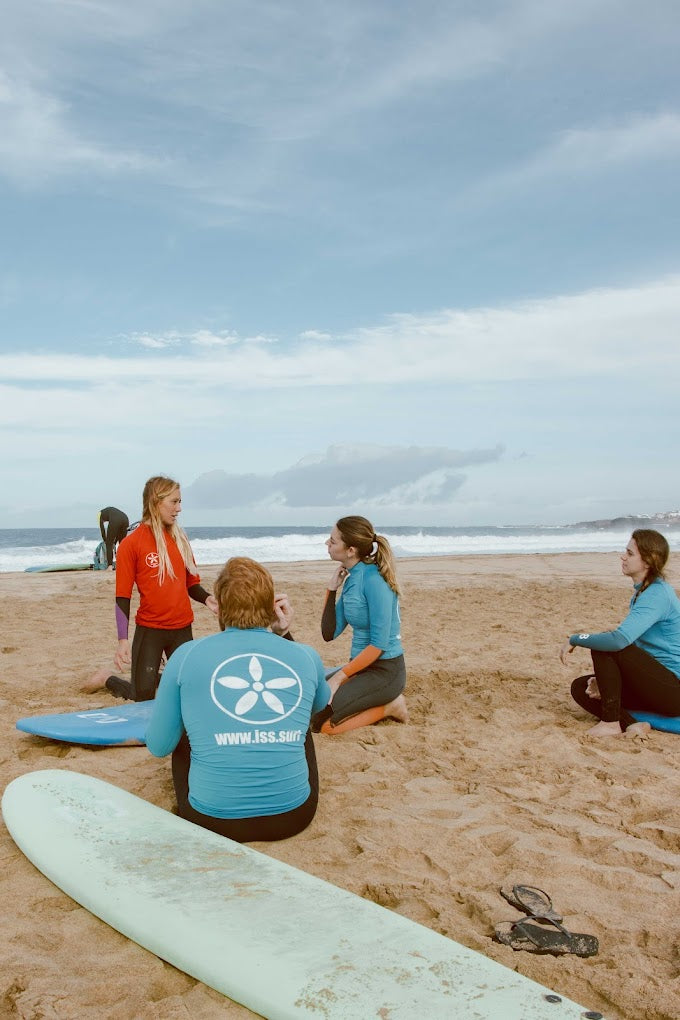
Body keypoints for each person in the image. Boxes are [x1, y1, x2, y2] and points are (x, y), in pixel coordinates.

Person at [145, 557, 330, 842]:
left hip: (210, 821)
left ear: (218, 606)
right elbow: (320, 708)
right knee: (299, 719)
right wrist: (284, 635)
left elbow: (158, 746)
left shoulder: (185, 655)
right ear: (272, 606)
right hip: (292, 817)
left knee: (184, 720)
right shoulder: (305, 655)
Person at [86, 475, 217, 701]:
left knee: (186, 694)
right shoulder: (131, 544)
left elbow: (191, 584)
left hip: (182, 628)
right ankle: (109, 679)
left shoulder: (180, 539)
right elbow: (122, 596)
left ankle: (158, 677)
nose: (179, 508)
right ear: (156, 502)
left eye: (180, 502)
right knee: (142, 697)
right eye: (174, 502)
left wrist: (207, 599)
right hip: (150, 630)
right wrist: (122, 641)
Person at [561, 529, 680, 738]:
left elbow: (618, 642)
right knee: (581, 688)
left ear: (648, 561)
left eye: (630, 553)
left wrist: (576, 639)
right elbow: (636, 650)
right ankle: (635, 723)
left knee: (606, 644)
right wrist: (606, 682)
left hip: (672, 689)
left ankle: (610, 723)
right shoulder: (642, 592)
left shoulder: (657, 594)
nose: (623, 557)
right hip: (651, 682)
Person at [313, 515, 408, 735]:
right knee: (313, 705)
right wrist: (332, 588)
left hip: (385, 671)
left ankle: (390, 707)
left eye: (333, 540)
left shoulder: (375, 581)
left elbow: (379, 645)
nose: (327, 543)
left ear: (351, 550)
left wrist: (339, 677)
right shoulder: (351, 579)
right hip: (359, 668)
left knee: (324, 726)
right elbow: (329, 633)